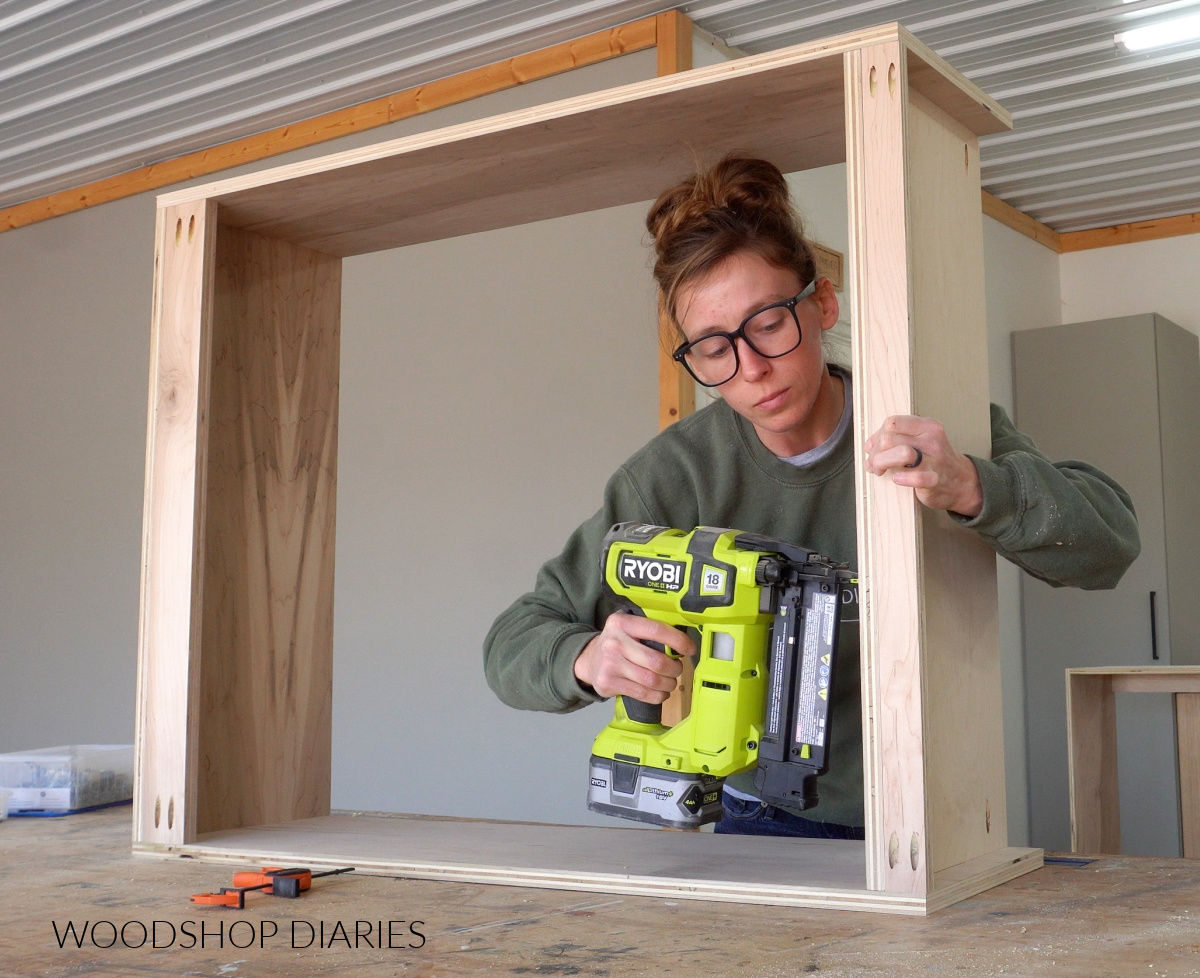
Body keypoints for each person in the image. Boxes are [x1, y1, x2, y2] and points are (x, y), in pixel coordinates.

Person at [483, 155, 1140, 839]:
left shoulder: (930, 427)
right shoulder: (672, 478)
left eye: (768, 322)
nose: (751, 369)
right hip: (758, 820)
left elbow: (1110, 547)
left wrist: (975, 485)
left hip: (930, 813)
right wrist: (586, 660)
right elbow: (512, 643)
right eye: (713, 348)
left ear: (822, 302)